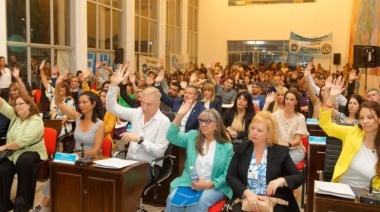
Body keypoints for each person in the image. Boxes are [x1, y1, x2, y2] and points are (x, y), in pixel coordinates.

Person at [33, 73, 105, 212]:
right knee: (56, 171)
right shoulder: (78, 117)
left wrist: (77, 155)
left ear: (93, 104)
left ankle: (43, 206)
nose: (81, 105)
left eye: (85, 102)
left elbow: (95, 151)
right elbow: (59, 102)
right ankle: (45, 204)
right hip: (76, 158)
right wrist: (58, 84)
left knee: (63, 172)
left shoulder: (99, 124)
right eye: (80, 102)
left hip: (91, 161)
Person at [226, 112, 304, 212]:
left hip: (273, 200)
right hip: (247, 199)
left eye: (259, 130)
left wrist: (281, 180)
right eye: (253, 128)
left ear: (269, 134)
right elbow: (231, 177)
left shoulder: (279, 151)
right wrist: (247, 193)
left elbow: (299, 177)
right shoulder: (241, 148)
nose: (254, 133)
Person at [106, 67, 170, 185]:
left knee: (125, 184)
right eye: (142, 103)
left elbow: (159, 153)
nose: (144, 108)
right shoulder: (137, 113)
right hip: (129, 163)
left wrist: (140, 140)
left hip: (149, 166)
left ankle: (129, 204)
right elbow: (112, 108)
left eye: (149, 104)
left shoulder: (164, 122)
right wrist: (113, 86)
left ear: (158, 104)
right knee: (108, 178)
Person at [165, 108, 233, 211]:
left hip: (214, 186)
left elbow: (226, 175)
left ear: (216, 125)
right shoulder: (193, 137)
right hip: (189, 182)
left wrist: (208, 185)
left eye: (208, 121)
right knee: (172, 201)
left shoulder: (226, 147)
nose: (203, 124)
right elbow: (171, 136)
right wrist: (180, 115)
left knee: (196, 204)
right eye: (201, 121)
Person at [319, 76, 380, 189]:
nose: (365, 121)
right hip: (343, 188)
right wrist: (331, 98)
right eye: (361, 118)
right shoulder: (352, 131)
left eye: (370, 117)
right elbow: (326, 125)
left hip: (371, 197)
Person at [0, 94, 47, 211]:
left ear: (29, 105)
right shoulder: (15, 116)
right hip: (14, 153)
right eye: (16, 104)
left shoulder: (36, 120)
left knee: (24, 161)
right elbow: (2, 104)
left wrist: (4, 147)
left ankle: (22, 205)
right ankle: (3, 205)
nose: (17, 106)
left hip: (32, 152)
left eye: (21, 104)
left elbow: (22, 142)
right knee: (2, 168)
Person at [271, 89, 308, 164]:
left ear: (296, 101)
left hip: (295, 150)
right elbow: (261, 120)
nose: (288, 102)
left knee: (281, 161)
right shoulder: (276, 114)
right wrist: (267, 103)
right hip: (278, 150)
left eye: (292, 99)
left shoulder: (300, 117)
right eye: (287, 99)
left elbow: (297, 140)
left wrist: (286, 144)